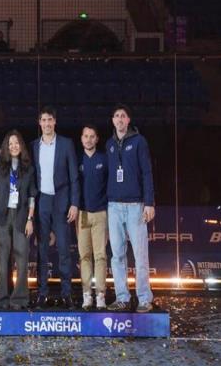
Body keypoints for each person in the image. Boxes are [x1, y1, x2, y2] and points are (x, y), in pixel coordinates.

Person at [106, 104, 155, 313]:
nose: (119, 119)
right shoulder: (109, 144)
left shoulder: (139, 141)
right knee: (117, 255)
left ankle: (144, 298)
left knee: (140, 255)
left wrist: (149, 203)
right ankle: (122, 298)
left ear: (128, 120)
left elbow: (147, 172)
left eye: (123, 116)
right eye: (116, 115)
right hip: (114, 206)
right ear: (113, 120)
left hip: (136, 206)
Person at [32, 106, 79, 309]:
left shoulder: (66, 144)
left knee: (63, 250)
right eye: (43, 120)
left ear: (55, 122)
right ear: (39, 123)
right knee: (42, 250)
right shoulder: (34, 146)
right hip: (42, 201)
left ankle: (66, 293)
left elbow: (74, 176)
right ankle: (42, 294)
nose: (47, 123)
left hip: (61, 201)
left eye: (50, 119)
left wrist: (74, 203)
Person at [0, 130, 36, 310]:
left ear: (21, 146)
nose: (14, 146)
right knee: (3, 258)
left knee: (22, 257)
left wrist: (30, 218)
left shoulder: (28, 169)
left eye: (17, 143)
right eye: (10, 144)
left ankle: (20, 298)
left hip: (22, 215)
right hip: (3, 215)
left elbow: (32, 195)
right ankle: (3, 298)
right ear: (6, 147)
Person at [77, 125, 108, 310]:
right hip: (82, 214)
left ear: (96, 139)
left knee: (100, 256)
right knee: (84, 256)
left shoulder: (104, 159)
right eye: (85, 136)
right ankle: (87, 295)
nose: (88, 139)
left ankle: (101, 295)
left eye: (92, 136)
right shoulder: (77, 160)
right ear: (81, 139)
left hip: (101, 213)